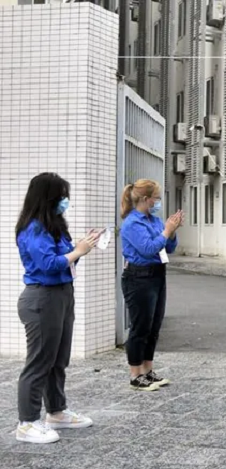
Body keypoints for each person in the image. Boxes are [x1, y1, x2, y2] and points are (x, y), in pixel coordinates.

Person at [15, 173, 100, 444]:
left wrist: (80, 247)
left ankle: (56, 411)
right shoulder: (33, 229)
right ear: (48, 197)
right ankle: (27, 422)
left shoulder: (55, 226)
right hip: (42, 299)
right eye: (61, 196)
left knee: (58, 359)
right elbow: (49, 264)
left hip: (62, 295)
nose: (66, 201)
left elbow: (66, 260)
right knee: (39, 361)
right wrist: (78, 251)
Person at [120, 180, 183, 391]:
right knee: (140, 326)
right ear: (146, 199)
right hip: (138, 277)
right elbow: (148, 248)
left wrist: (171, 232)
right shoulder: (132, 223)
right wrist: (166, 231)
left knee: (154, 326)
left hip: (157, 274)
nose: (158, 202)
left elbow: (169, 247)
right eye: (156, 198)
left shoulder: (154, 220)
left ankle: (148, 369)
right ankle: (135, 373)